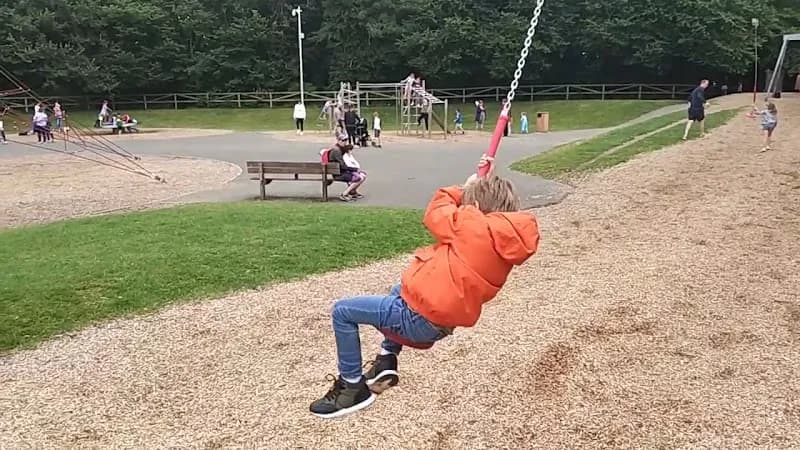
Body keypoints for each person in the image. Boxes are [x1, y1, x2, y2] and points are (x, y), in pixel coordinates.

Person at [308, 155, 540, 418]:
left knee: (343, 311)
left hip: (415, 318)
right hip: (438, 324)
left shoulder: (470, 226)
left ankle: (351, 389)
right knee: (400, 288)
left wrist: (464, 188)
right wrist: (478, 189)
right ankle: (386, 358)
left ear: (474, 207)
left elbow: (437, 209)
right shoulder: (506, 241)